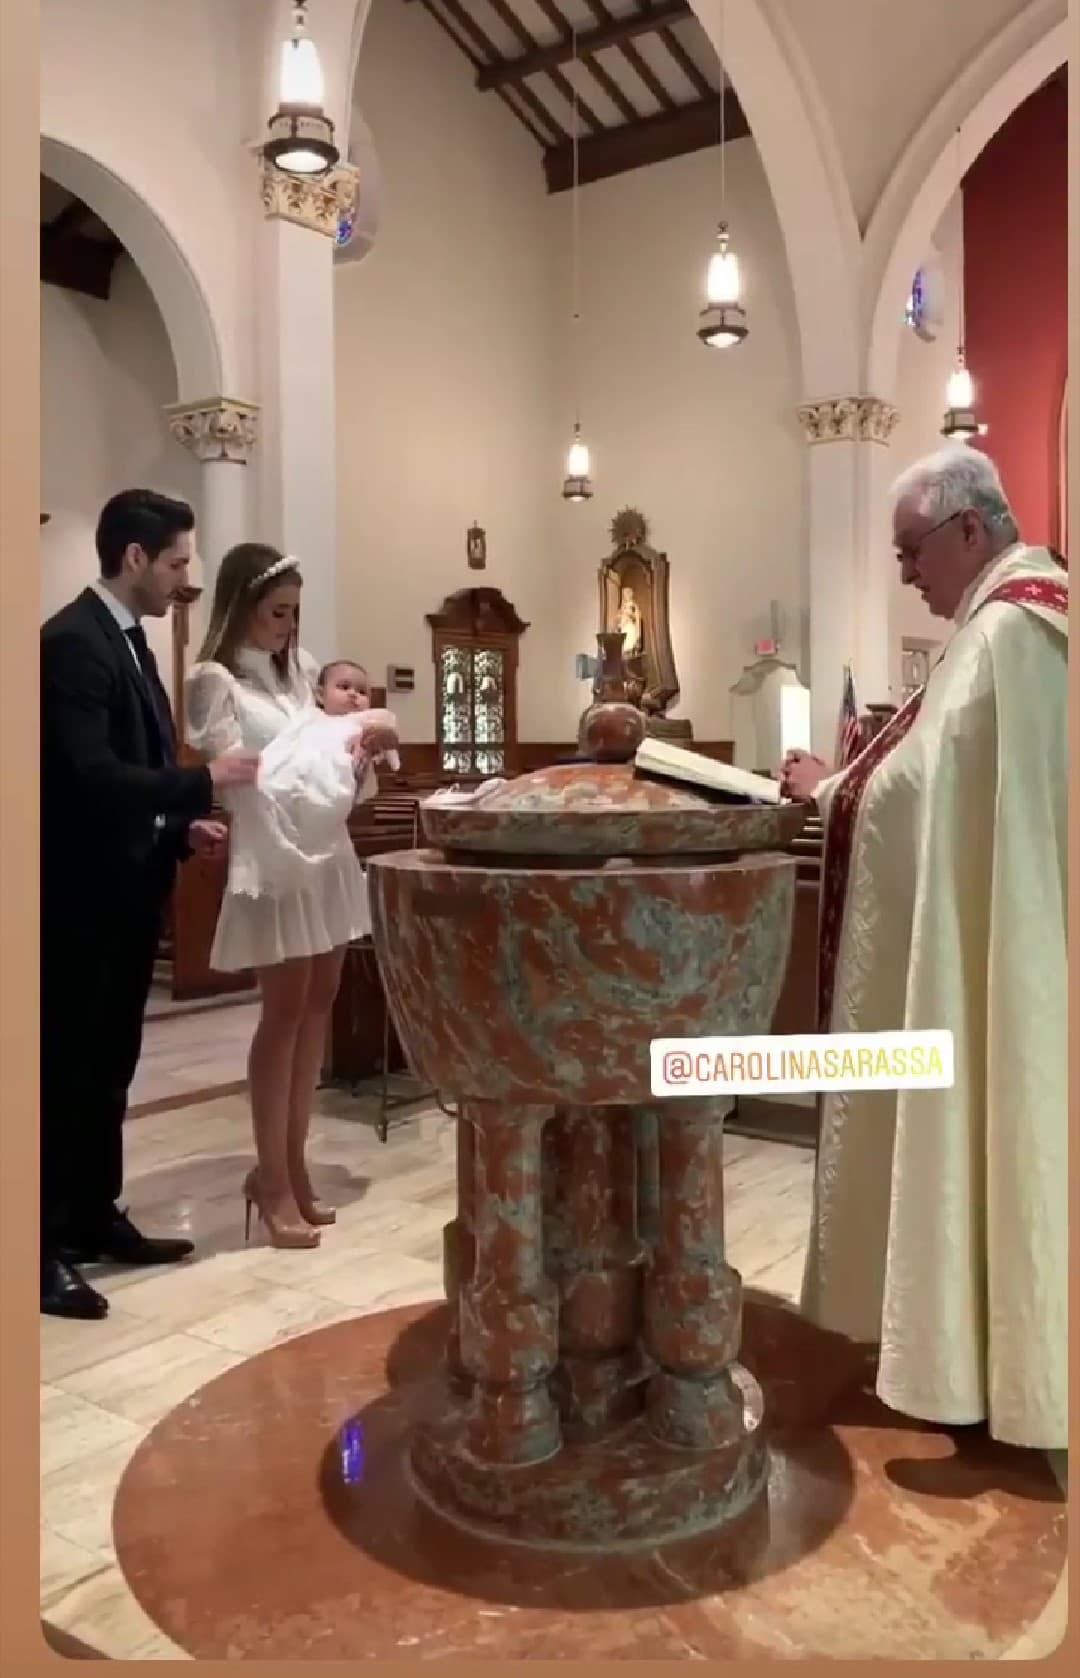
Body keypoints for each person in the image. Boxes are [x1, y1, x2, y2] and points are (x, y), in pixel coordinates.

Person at [781, 444, 1067, 1450]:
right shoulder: (1022, 619)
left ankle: (993, 1365)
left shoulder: (1011, 632)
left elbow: (920, 792)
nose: (906, 571)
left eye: (911, 550)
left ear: (971, 529)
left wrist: (829, 789)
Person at [40, 489, 260, 1321]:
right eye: (176, 563)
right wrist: (206, 781)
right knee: (60, 1076)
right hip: (74, 899)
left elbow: (132, 776)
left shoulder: (125, 641)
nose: (183, 579)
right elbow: (86, 778)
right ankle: (40, 1247)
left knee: (109, 1070)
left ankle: (94, 1216)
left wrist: (179, 829)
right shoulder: (69, 643)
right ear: (134, 558)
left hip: (127, 889)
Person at [184, 547, 398, 1250]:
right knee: (283, 1012)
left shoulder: (303, 675)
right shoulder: (216, 681)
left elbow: (331, 757)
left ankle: (296, 1166)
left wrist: (355, 758)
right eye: (277, 612)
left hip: (327, 854)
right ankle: (270, 1178)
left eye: (295, 613)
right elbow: (230, 777)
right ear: (241, 604)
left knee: (319, 1004)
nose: (287, 626)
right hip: (274, 857)